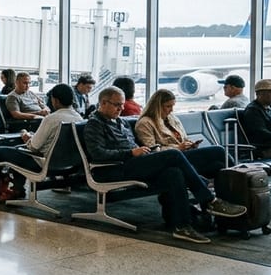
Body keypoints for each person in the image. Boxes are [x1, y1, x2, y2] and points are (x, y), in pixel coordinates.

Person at [84, 86, 246, 244]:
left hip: (133, 162)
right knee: (174, 155)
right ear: (103, 103)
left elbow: (133, 146)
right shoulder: (94, 124)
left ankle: (182, 226)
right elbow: (97, 154)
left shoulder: (120, 122)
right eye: (116, 104)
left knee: (175, 172)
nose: (121, 108)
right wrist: (131, 153)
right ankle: (209, 200)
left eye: (122, 104)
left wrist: (147, 151)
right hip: (113, 168)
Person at [0, 84, 85, 202]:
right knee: (18, 151)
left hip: (44, 163)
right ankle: (17, 189)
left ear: (56, 100)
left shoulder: (51, 119)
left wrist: (27, 136)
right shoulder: (78, 118)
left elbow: (34, 147)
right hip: (69, 165)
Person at [135, 89, 229, 179]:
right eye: (168, 106)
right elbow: (152, 150)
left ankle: (232, 189)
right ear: (157, 107)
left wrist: (190, 145)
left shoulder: (172, 118)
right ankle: (242, 177)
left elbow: (184, 138)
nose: (171, 110)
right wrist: (178, 148)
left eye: (172, 106)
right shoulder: (145, 123)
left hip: (185, 154)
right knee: (218, 150)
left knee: (219, 165)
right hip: (171, 158)